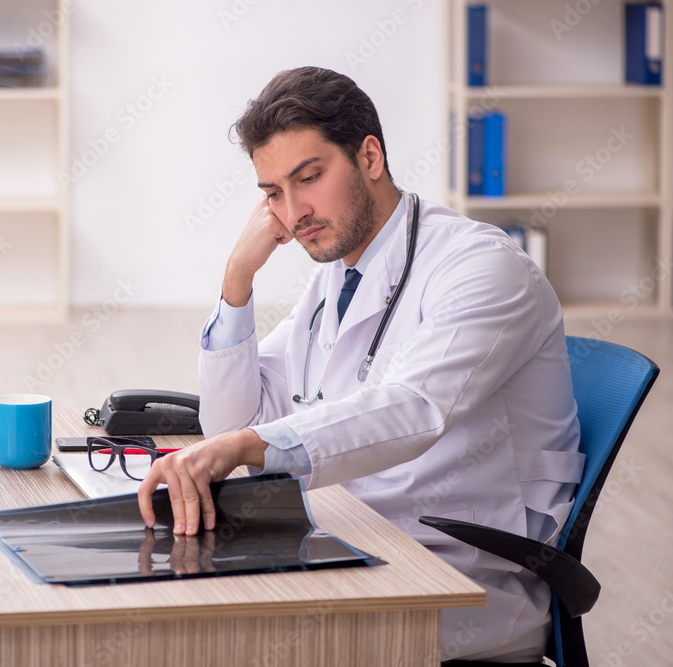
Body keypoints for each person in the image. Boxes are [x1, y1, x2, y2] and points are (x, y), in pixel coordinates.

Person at [137, 66, 585, 663]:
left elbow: (412, 408)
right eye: (274, 193)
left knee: (220, 634)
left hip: (462, 570)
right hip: (356, 531)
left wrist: (244, 448)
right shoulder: (337, 277)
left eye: (309, 178)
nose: (294, 212)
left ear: (369, 156)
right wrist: (237, 279)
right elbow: (233, 418)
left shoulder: (483, 266)